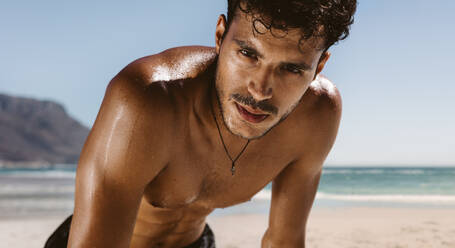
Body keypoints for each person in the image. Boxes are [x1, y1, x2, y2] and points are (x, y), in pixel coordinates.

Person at [45, 0, 356, 247]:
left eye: (291, 69)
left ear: (319, 66)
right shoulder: (149, 102)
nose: (260, 90)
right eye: (248, 53)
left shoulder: (317, 114)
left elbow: (284, 241)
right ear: (220, 35)